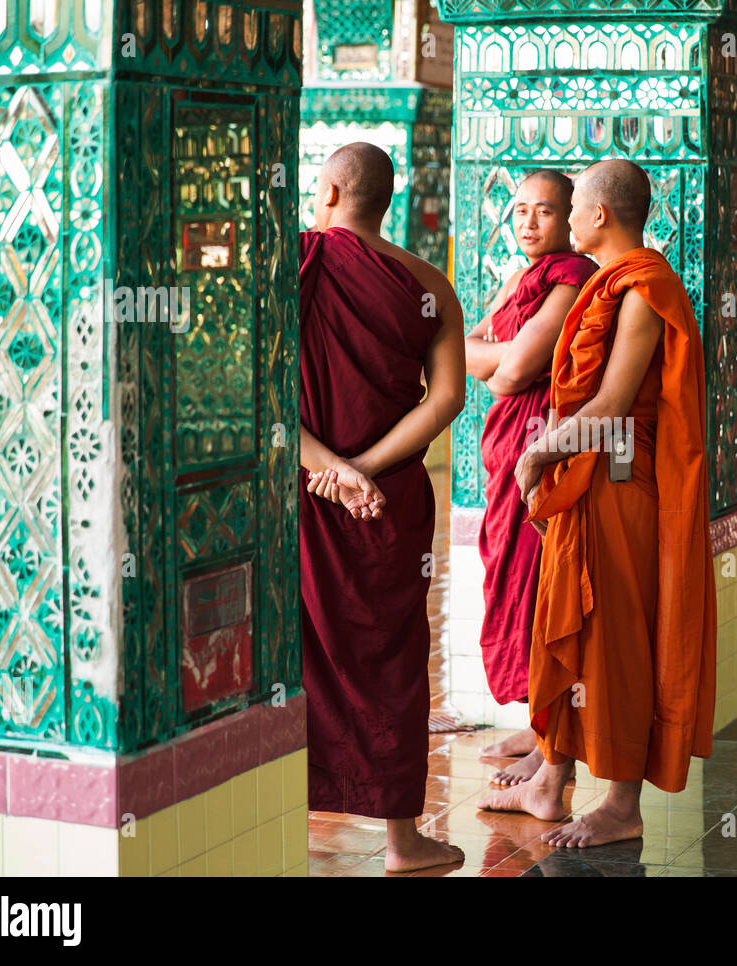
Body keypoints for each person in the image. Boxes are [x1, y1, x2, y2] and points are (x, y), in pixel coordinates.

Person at [477, 159, 716, 848]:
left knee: (614, 638)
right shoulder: (606, 284)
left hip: (621, 486)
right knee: (571, 627)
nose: (567, 217)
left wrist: (539, 453)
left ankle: (620, 804)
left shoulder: (645, 288)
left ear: (601, 215)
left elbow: (612, 405)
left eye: (573, 206)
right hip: (590, 484)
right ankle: (550, 781)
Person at [298, 142, 466, 872]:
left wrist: (329, 466)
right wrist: (364, 468)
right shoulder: (431, 286)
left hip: (302, 491)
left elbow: (252, 389)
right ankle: (403, 843)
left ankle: (288, 818)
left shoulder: (292, 267)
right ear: (386, 199)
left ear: (331, 191)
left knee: (295, 652)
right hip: (389, 501)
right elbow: (449, 401)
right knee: (393, 659)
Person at [467, 171, 597, 785]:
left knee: (542, 585)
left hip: (540, 449)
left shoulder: (569, 278)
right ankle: (535, 717)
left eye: (544, 211)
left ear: (571, 219)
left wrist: (501, 364)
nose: (527, 222)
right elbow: (470, 347)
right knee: (508, 575)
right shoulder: (520, 278)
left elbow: (513, 368)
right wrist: (502, 364)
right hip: (507, 442)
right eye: (520, 209)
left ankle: (554, 746)